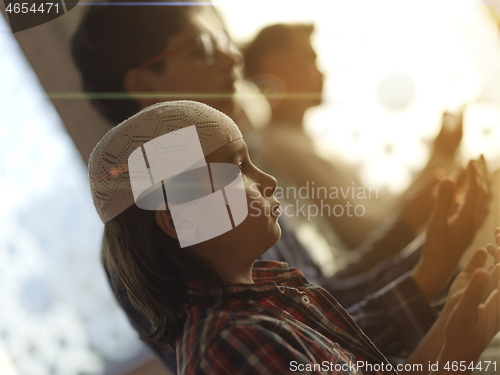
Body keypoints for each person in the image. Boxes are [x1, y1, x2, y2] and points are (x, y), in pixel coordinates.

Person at [71, 0, 490, 368]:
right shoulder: (184, 215)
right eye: (204, 47)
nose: (232, 58)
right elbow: (314, 344)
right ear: (144, 84)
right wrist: (435, 288)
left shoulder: (228, 199)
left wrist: (436, 274)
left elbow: (323, 313)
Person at [90, 100, 500, 375]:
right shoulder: (229, 343)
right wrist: (459, 353)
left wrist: (458, 316)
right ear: (180, 220)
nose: (266, 181)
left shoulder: (271, 293)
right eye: (237, 170)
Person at [243, 23, 464, 249]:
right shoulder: (281, 147)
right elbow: (370, 231)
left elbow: (379, 212)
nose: (321, 72)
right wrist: (440, 157)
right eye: (310, 59)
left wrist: (440, 160)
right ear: (275, 66)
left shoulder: (300, 140)